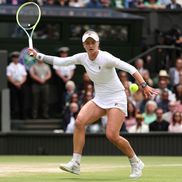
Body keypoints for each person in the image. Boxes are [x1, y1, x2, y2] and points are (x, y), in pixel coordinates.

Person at [28, 30, 158, 178]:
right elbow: (61, 61)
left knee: (112, 135)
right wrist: (38, 55)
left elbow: (131, 69)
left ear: (98, 44)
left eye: (93, 42)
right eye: (87, 43)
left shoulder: (106, 58)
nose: (90, 45)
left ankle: (135, 162)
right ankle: (75, 163)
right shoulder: (82, 58)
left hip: (117, 97)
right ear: (84, 45)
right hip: (100, 99)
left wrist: (144, 85)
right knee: (79, 122)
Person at [6, 51, 27, 119]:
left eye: (17, 57)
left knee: (22, 101)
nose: (16, 59)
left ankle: (22, 116)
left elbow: (24, 76)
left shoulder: (22, 66)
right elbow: (9, 77)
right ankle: (14, 116)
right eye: (14, 57)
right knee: (13, 101)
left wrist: (20, 83)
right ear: (12, 58)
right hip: (13, 85)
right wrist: (15, 84)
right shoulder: (9, 67)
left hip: (21, 84)